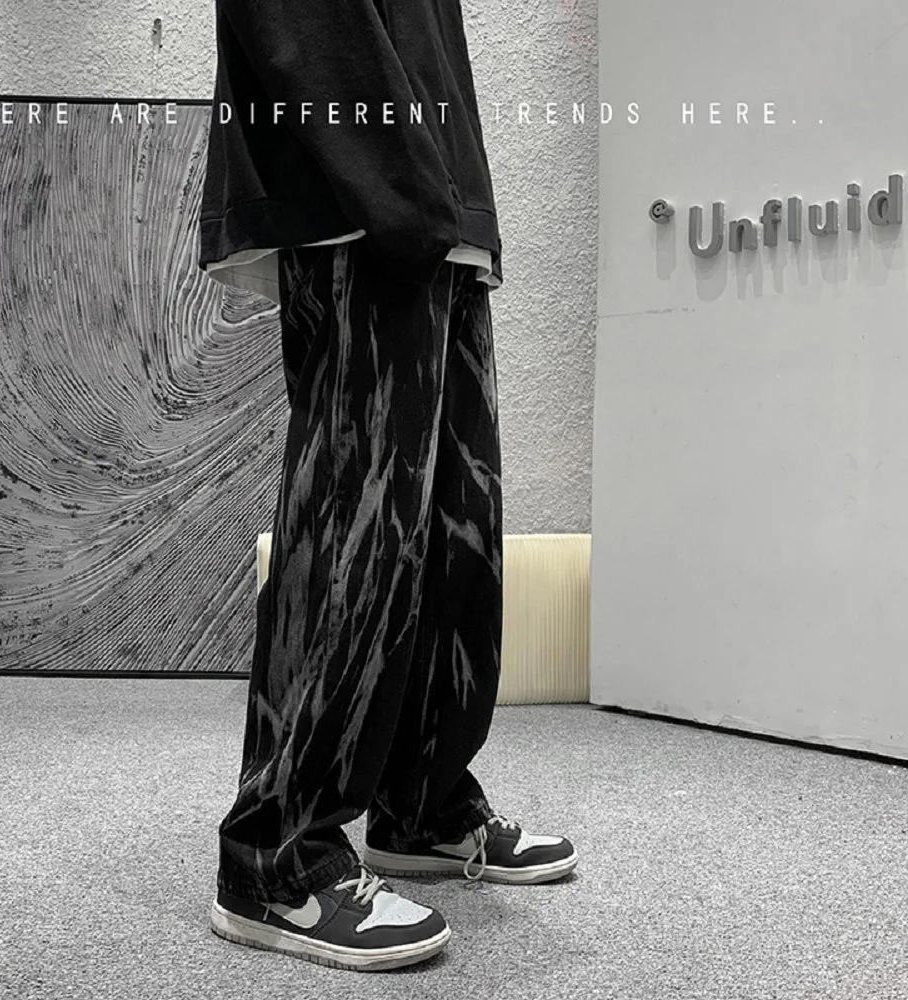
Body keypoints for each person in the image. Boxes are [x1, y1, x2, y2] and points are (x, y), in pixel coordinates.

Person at [197, 0, 578, 973]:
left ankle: (421, 802)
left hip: (432, 198)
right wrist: (386, 181)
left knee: (456, 532)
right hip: (361, 190)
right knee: (356, 525)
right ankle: (276, 853)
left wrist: (449, 201)